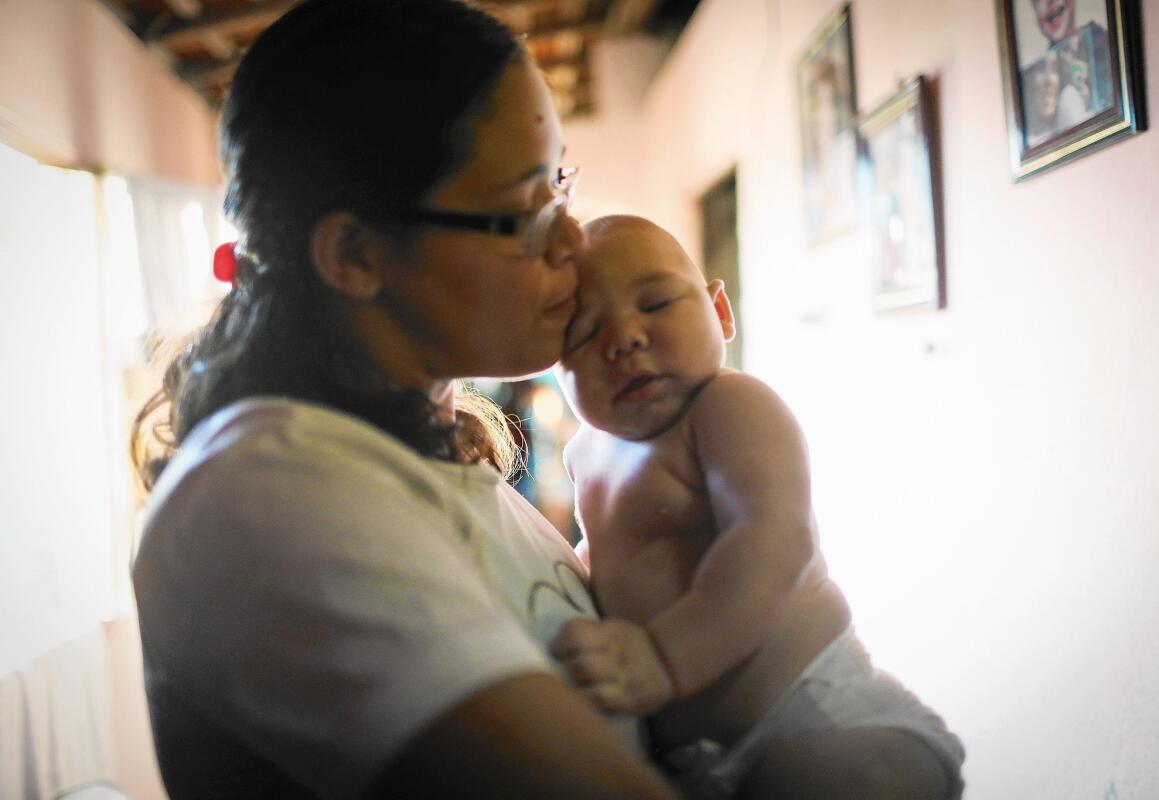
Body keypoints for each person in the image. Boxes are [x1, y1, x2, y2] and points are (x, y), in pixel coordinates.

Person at [129, 2, 678, 798]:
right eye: (524, 210)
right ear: (355, 255)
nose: (572, 241)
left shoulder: (444, 453)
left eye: (560, 184)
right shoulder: (269, 495)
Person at [551, 215, 965, 799]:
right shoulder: (584, 453)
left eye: (656, 304)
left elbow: (772, 538)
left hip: (821, 720)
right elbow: (612, 562)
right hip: (706, 762)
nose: (623, 338)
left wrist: (662, 658)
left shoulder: (727, 405)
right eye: (583, 330)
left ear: (720, 312)